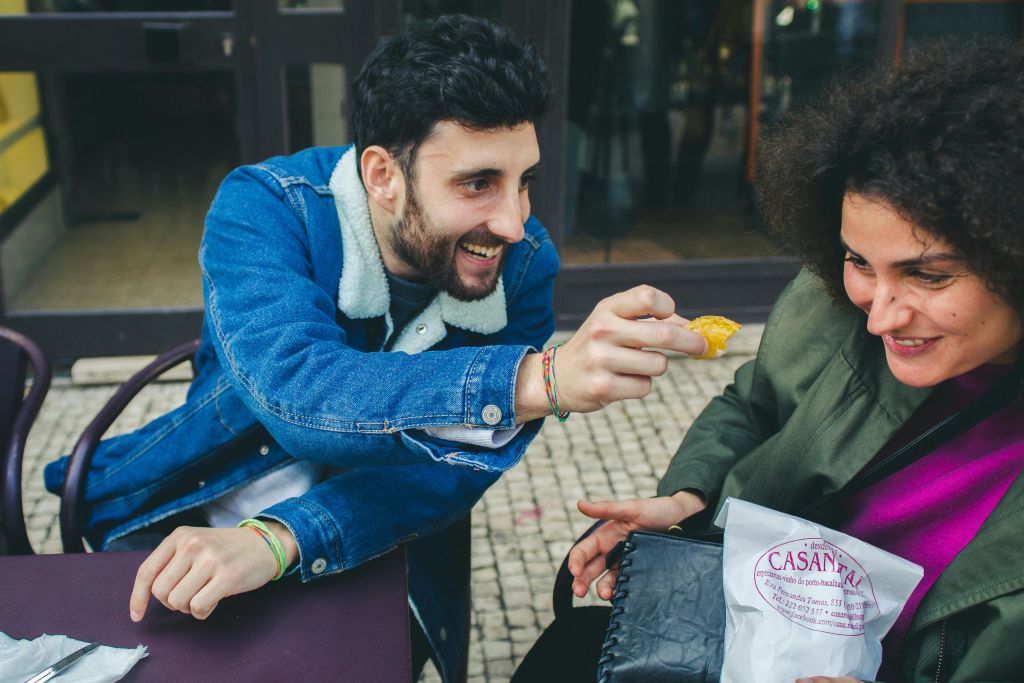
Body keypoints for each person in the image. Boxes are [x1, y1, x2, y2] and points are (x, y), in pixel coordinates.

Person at [43, 14, 708, 683]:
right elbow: (299, 392)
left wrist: (280, 539)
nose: (514, 221)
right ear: (383, 175)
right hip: (193, 505)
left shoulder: (525, 268)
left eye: (525, 180)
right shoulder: (266, 208)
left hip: (379, 542)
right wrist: (530, 380)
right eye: (479, 183)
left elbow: (447, 475)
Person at [514, 41, 1024, 683]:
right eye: (859, 260)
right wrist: (688, 500)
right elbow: (755, 404)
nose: (878, 315)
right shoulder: (829, 304)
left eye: (926, 275)